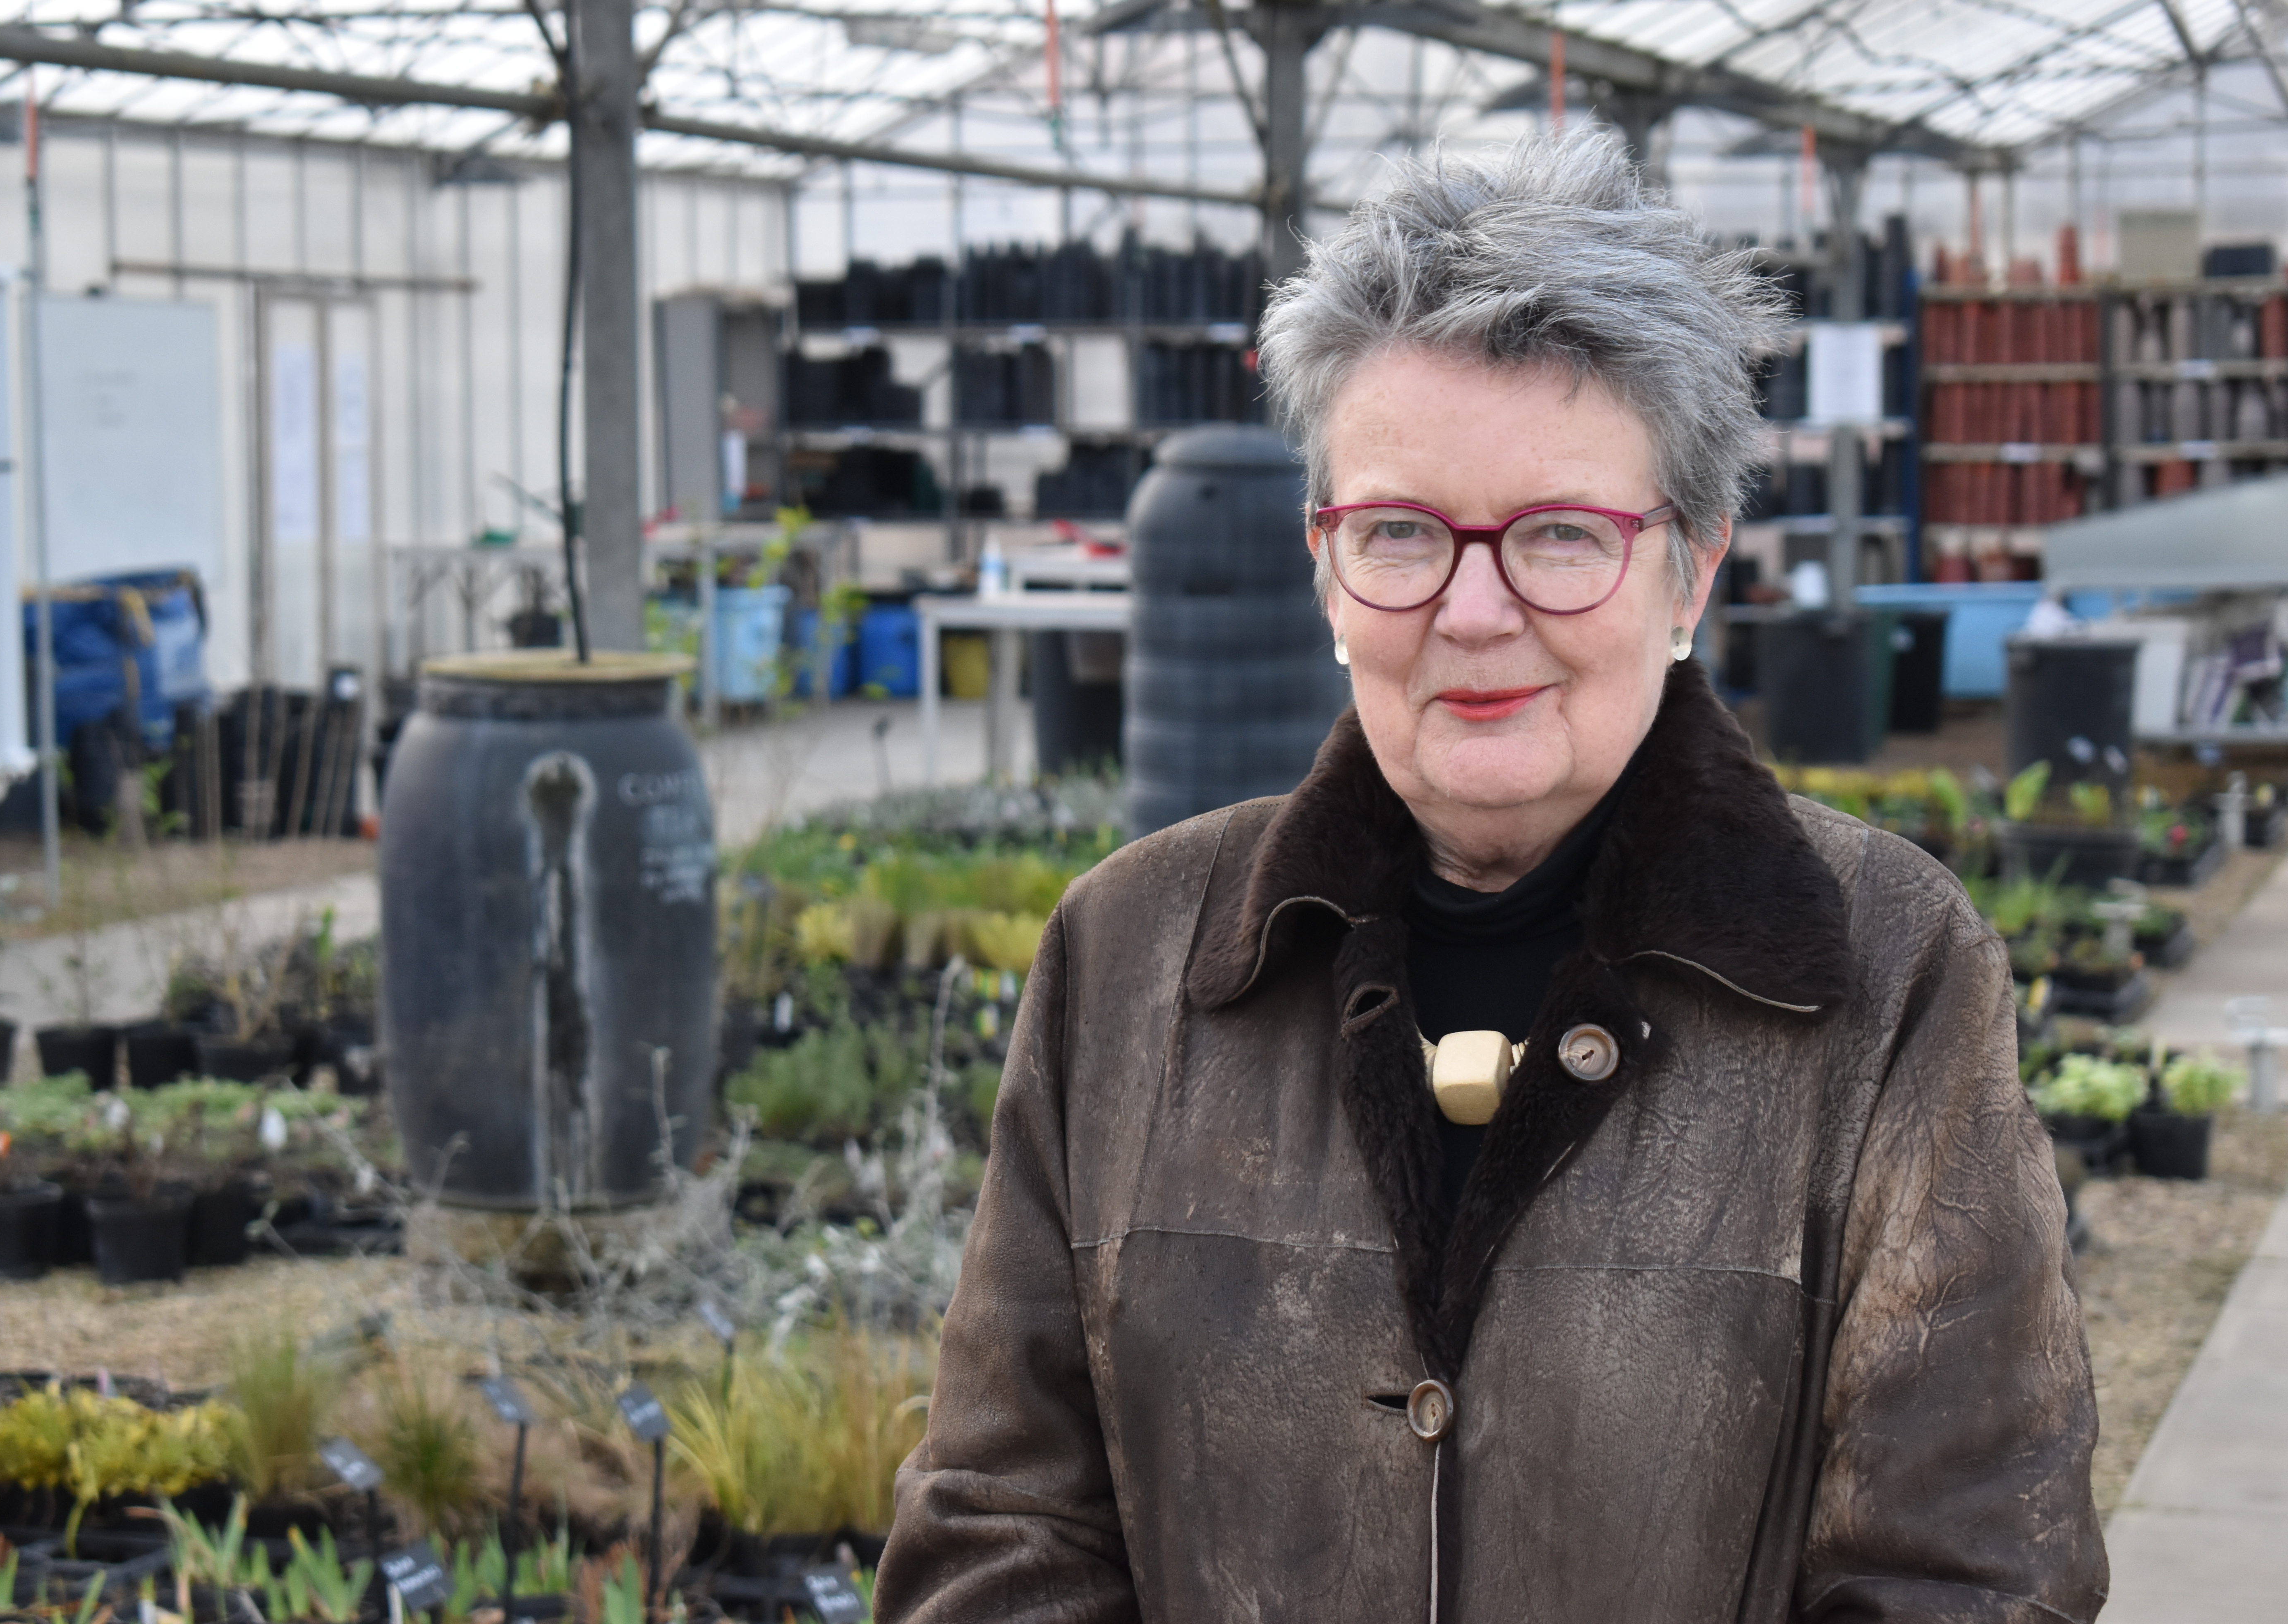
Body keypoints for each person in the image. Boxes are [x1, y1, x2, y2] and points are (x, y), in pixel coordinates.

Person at [873, 131, 2104, 1622]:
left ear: (1692, 569)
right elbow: (996, 1533)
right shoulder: (1130, 955)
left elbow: (1969, 1575)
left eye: (1561, 537)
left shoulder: (1885, 975)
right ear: (1328, 570)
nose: (1473, 611)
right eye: (1400, 532)